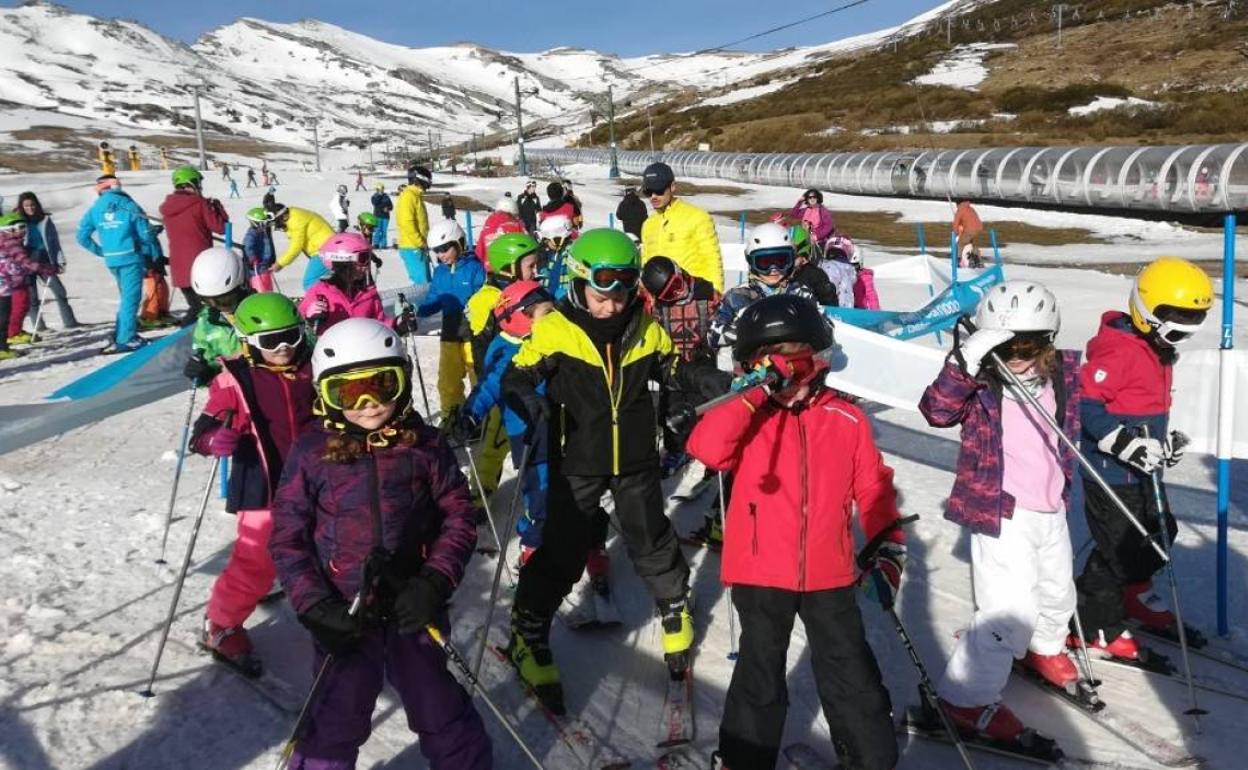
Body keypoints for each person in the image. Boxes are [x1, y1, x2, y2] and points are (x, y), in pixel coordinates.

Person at [686, 293, 903, 770]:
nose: (788, 380)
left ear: (819, 363)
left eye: (797, 366)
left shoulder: (846, 420)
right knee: (760, 671)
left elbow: (873, 486)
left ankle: (870, 758)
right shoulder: (747, 417)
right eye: (771, 368)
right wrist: (754, 394)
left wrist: (888, 541)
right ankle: (744, 758)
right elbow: (707, 448)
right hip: (761, 570)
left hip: (830, 571)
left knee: (850, 668)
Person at [268, 318, 492, 770]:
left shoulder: (424, 445)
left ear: (404, 382)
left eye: (382, 385)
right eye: (350, 393)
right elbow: (288, 535)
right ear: (327, 396)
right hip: (344, 611)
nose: (370, 404)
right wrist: (314, 605)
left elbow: (458, 515)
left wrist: (433, 581)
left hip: (413, 602)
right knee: (336, 712)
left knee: (438, 705)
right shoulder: (312, 451)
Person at [500, 228, 707, 713]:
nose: (611, 306)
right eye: (600, 294)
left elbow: (672, 370)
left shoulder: (645, 328)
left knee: (650, 534)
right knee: (564, 548)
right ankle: (528, 630)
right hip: (578, 459)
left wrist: (688, 394)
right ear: (576, 283)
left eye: (622, 293)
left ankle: (675, 607)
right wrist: (528, 398)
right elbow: (517, 374)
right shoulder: (555, 330)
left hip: (634, 456)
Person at [919, 281, 1081, 745]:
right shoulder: (980, 386)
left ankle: (1044, 649)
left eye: (1029, 345)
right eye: (1006, 345)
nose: (1017, 356)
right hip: (1001, 509)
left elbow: (1099, 407)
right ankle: (965, 700)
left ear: (1048, 343)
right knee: (1007, 611)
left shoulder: (1063, 376)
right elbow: (936, 411)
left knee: (1056, 592)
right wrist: (964, 363)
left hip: (1052, 505)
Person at [1073, 257, 1212, 658]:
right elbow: (1085, 401)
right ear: (1147, 310)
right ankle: (1094, 620)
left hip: (1142, 472)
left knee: (1161, 532)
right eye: (1176, 317)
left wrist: (1159, 444)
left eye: (1194, 317)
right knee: (1119, 549)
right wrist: (1121, 442)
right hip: (1110, 474)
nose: (1183, 328)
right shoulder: (1120, 351)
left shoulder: (1156, 348)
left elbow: (1141, 407)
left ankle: (1134, 594)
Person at [188, 293, 314, 675]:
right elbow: (205, 428)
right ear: (248, 342)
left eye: (291, 336)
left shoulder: (314, 366)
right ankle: (222, 624)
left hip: (315, 477)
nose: (284, 349)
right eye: (270, 341)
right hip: (263, 484)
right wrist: (212, 440)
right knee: (256, 558)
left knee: (329, 547)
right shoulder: (236, 379)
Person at [454, 280, 555, 563]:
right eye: (547, 315)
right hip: (527, 432)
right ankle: (533, 544)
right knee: (540, 492)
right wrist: (470, 414)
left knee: (562, 485)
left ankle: (561, 531)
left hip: (557, 426)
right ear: (520, 317)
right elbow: (488, 386)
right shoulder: (506, 351)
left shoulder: (550, 339)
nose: (554, 319)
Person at [462, 233, 543, 508]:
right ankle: (478, 494)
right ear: (509, 267)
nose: (537, 271)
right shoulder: (488, 298)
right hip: (498, 380)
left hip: (529, 381)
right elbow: (481, 342)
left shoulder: (532, 295)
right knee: (495, 441)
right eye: (530, 266)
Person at [640, 255, 725, 479]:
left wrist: (715, 342)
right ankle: (676, 449)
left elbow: (723, 322)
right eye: (669, 294)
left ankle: (711, 452)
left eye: (677, 285)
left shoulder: (707, 295)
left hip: (702, 359)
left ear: (682, 273)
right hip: (674, 363)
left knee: (708, 406)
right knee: (672, 407)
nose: (678, 293)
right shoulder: (656, 307)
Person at [77, 175, 160, 354]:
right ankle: (126, 338)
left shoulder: (95, 209)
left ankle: (121, 331)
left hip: (112, 260)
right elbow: (145, 233)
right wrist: (152, 238)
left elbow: (81, 236)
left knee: (126, 298)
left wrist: (102, 251)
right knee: (131, 299)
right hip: (130, 258)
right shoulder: (128, 205)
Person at [417, 219, 485, 421]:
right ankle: (451, 417)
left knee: (477, 376)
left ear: (458, 243)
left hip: (473, 333)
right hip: (450, 332)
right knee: (448, 379)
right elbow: (434, 299)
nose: (441, 255)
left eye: (445, 248)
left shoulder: (475, 269)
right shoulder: (439, 273)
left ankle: (479, 417)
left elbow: (484, 296)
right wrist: (416, 311)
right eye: (437, 251)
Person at [709, 223, 815, 350]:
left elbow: (824, 326)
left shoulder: (800, 293)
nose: (773, 270)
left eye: (781, 261)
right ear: (751, 262)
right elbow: (713, 335)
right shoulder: (738, 296)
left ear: (791, 260)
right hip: (748, 364)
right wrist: (747, 329)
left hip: (794, 362)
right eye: (764, 263)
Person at [299, 232, 409, 335]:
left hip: (364, 353)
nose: (366, 265)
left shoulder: (368, 294)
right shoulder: (319, 293)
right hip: (332, 352)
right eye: (363, 258)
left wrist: (397, 325)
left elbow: (378, 324)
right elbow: (299, 329)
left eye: (368, 258)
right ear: (344, 261)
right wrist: (310, 319)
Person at [159, 165, 229, 325]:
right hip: (200, 265)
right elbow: (221, 227)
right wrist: (218, 209)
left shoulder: (168, 207)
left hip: (180, 266)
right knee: (205, 308)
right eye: (198, 183)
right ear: (192, 183)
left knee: (196, 305)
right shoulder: (199, 203)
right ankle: (191, 336)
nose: (200, 188)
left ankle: (193, 333)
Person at [639, 162, 724, 292]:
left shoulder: (697, 217)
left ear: (672, 187)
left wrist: (716, 294)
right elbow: (646, 264)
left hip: (692, 298)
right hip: (658, 300)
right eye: (648, 192)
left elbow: (712, 260)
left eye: (659, 190)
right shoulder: (648, 225)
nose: (653, 197)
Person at [182, 247, 249, 387]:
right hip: (232, 394)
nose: (219, 306)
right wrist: (204, 372)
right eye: (208, 301)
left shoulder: (262, 311)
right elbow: (208, 357)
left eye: (225, 300)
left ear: (242, 285)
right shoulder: (207, 323)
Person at [17, 191, 79, 330]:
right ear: (21, 207)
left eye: (32, 205)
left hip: (45, 260)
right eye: (26, 206)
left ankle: (70, 322)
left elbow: (54, 241)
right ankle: (39, 326)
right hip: (26, 261)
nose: (30, 208)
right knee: (32, 296)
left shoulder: (44, 220)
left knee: (59, 290)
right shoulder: (18, 222)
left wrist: (60, 261)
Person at [0, 214, 54, 358]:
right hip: (5, 286)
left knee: (5, 315)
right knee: (5, 317)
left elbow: (14, 265)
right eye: (20, 227)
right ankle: (2, 348)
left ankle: (4, 345)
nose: (23, 231)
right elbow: (24, 262)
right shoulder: (11, 242)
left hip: (7, 283)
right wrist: (44, 268)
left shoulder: (4, 241)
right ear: (9, 229)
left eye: (25, 227)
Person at [270, 205, 336, 291]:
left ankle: (317, 300)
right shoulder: (293, 216)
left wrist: (280, 263)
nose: (277, 226)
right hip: (327, 249)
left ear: (283, 216)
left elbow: (296, 246)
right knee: (327, 280)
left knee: (310, 281)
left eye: (277, 222)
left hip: (325, 251)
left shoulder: (296, 221)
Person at [396, 165, 433, 284]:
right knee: (421, 284)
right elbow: (407, 223)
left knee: (426, 280)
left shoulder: (415, 195)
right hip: (412, 246)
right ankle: (422, 303)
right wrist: (419, 242)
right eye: (427, 182)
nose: (428, 187)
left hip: (417, 246)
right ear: (419, 180)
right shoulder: (409, 196)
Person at [789, 225, 838, 306]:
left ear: (804, 258)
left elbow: (830, 303)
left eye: (794, 258)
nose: (789, 262)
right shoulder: (781, 274)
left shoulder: (815, 276)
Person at [474, 196, 525, 266]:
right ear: (513, 212)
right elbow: (526, 248)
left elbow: (479, 253)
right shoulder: (516, 226)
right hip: (510, 269)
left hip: (489, 270)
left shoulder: (487, 227)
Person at [536, 214, 575, 300]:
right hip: (552, 296)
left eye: (547, 240)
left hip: (564, 300)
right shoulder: (556, 253)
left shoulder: (571, 254)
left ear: (558, 239)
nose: (546, 243)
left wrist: (565, 294)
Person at [242, 207, 277, 293]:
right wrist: (252, 257)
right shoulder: (252, 234)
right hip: (257, 267)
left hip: (264, 264)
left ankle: (268, 295)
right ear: (256, 223)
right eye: (263, 223)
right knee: (261, 286)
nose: (266, 226)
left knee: (267, 284)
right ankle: (261, 295)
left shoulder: (263, 231)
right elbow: (247, 246)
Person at [821, 234, 859, 309]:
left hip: (833, 310)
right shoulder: (849, 271)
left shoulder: (830, 267)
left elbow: (828, 289)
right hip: (847, 310)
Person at [953, 199, 984, 268]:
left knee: (960, 244)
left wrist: (956, 233)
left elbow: (956, 223)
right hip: (979, 229)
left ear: (958, 204)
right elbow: (969, 218)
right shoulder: (970, 208)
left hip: (970, 230)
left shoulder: (960, 209)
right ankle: (978, 262)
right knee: (975, 246)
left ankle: (958, 261)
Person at [850, 246, 881, 310]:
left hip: (862, 310)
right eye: (849, 266)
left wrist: (875, 311)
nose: (852, 270)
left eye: (855, 266)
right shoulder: (843, 276)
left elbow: (871, 296)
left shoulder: (865, 278)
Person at [370, 182, 393, 250]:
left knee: (384, 231)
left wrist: (388, 208)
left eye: (382, 189)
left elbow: (391, 206)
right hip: (377, 216)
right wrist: (379, 195)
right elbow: (375, 203)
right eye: (380, 189)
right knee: (377, 230)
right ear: (377, 190)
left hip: (385, 217)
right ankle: (376, 244)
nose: (382, 191)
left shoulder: (386, 197)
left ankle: (383, 244)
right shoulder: (374, 197)